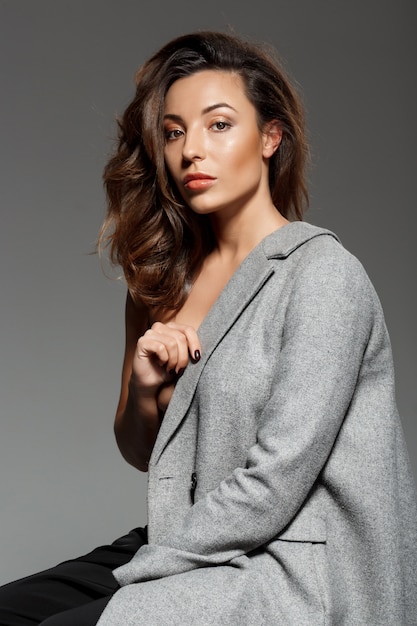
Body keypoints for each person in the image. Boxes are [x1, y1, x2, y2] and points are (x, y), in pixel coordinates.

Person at [0, 30, 416, 626]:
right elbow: (141, 451)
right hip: (198, 541)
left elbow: (275, 484)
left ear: (271, 137)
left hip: (291, 566)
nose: (192, 149)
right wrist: (146, 389)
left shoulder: (322, 274)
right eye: (174, 132)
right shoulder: (164, 281)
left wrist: (143, 573)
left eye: (219, 125)